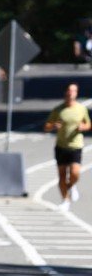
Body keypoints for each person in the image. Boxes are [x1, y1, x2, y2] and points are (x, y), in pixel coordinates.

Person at [43, 82, 91, 212]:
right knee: (62, 175)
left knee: (75, 173)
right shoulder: (58, 110)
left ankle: (72, 185)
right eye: (69, 91)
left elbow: (88, 124)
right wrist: (53, 126)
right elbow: (46, 126)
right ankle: (65, 200)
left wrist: (83, 127)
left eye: (73, 91)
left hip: (76, 145)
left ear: (76, 93)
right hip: (61, 146)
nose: (71, 93)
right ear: (65, 92)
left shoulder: (81, 109)